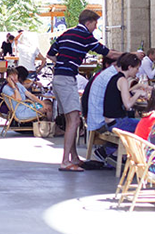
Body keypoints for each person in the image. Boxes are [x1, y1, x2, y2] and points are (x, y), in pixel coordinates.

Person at [46, 9, 109, 171]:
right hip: (67, 79)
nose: (96, 27)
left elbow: (50, 54)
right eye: (95, 24)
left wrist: (63, 62)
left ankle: (74, 157)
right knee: (74, 120)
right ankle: (65, 161)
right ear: (88, 23)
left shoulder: (66, 34)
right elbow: (106, 52)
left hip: (58, 78)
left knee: (71, 120)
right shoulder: (85, 36)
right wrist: (130, 55)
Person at [102, 53, 141, 132]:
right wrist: (138, 93)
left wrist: (138, 88)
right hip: (117, 123)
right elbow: (128, 105)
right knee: (149, 126)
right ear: (130, 67)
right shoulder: (123, 80)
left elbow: (124, 94)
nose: (138, 71)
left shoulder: (116, 77)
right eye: (137, 68)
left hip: (110, 122)